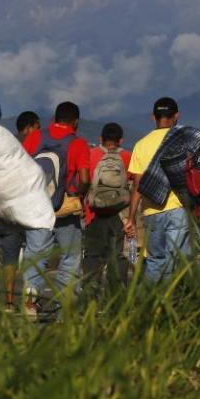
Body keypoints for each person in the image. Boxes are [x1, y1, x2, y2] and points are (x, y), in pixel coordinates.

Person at [22, 102, 91, 315]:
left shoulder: (35, 137)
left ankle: (30, 304)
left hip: (38, 207)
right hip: (66, 208)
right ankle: (65, 308)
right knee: (69, 257)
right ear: (75, 121)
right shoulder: (78, 143)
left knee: (36, 255)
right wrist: (79, 194)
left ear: (55, 118)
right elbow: (85, 178)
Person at [123, 97, 193, 283]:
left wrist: (130, 218)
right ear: (176, 116)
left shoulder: (141, 145)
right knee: (179, 260)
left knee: (155, 261)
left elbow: (137, 185)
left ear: (153, 117)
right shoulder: (184, 141)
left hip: (151, 211)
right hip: (178, 208)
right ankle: (176, 303)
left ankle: (153, 305)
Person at [83, 122, 132, 296]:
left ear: (100, 139)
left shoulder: (91, 154)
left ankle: (90, 298)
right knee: (116, 256)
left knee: (92, 256)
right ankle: (116, 297)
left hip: (93, 215)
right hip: (117, 216)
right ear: (121, 140)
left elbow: (84, 181)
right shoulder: (127, 156)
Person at [0, 110, 42, 309]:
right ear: (30, 127)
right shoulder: (36, 146)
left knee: (9, 256)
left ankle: (9, 301)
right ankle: (29, 302)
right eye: (38, 127)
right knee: (34, 253)